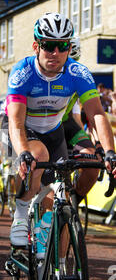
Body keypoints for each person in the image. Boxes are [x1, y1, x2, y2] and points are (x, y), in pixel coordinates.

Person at [6, 12, 116, 280]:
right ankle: (20, 213)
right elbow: (15, 121)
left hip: (56, 135)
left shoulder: (78, 73)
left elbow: (96, 113)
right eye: (48, 46)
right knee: (38, 154)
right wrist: (23, 153)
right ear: (36, 46)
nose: (55, 53)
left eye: (62, 46)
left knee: (62, 203)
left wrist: (109, 151)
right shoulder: (22, 73)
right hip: (26, 132)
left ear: (69, 47)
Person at [61, 36, 99, 207]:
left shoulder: (79, 75)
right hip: (43, 126)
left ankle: (73, 204)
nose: (71, 65)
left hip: (67, 125)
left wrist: (100, 147)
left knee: (93, 163)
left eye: (75, 60)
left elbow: (92, 115)